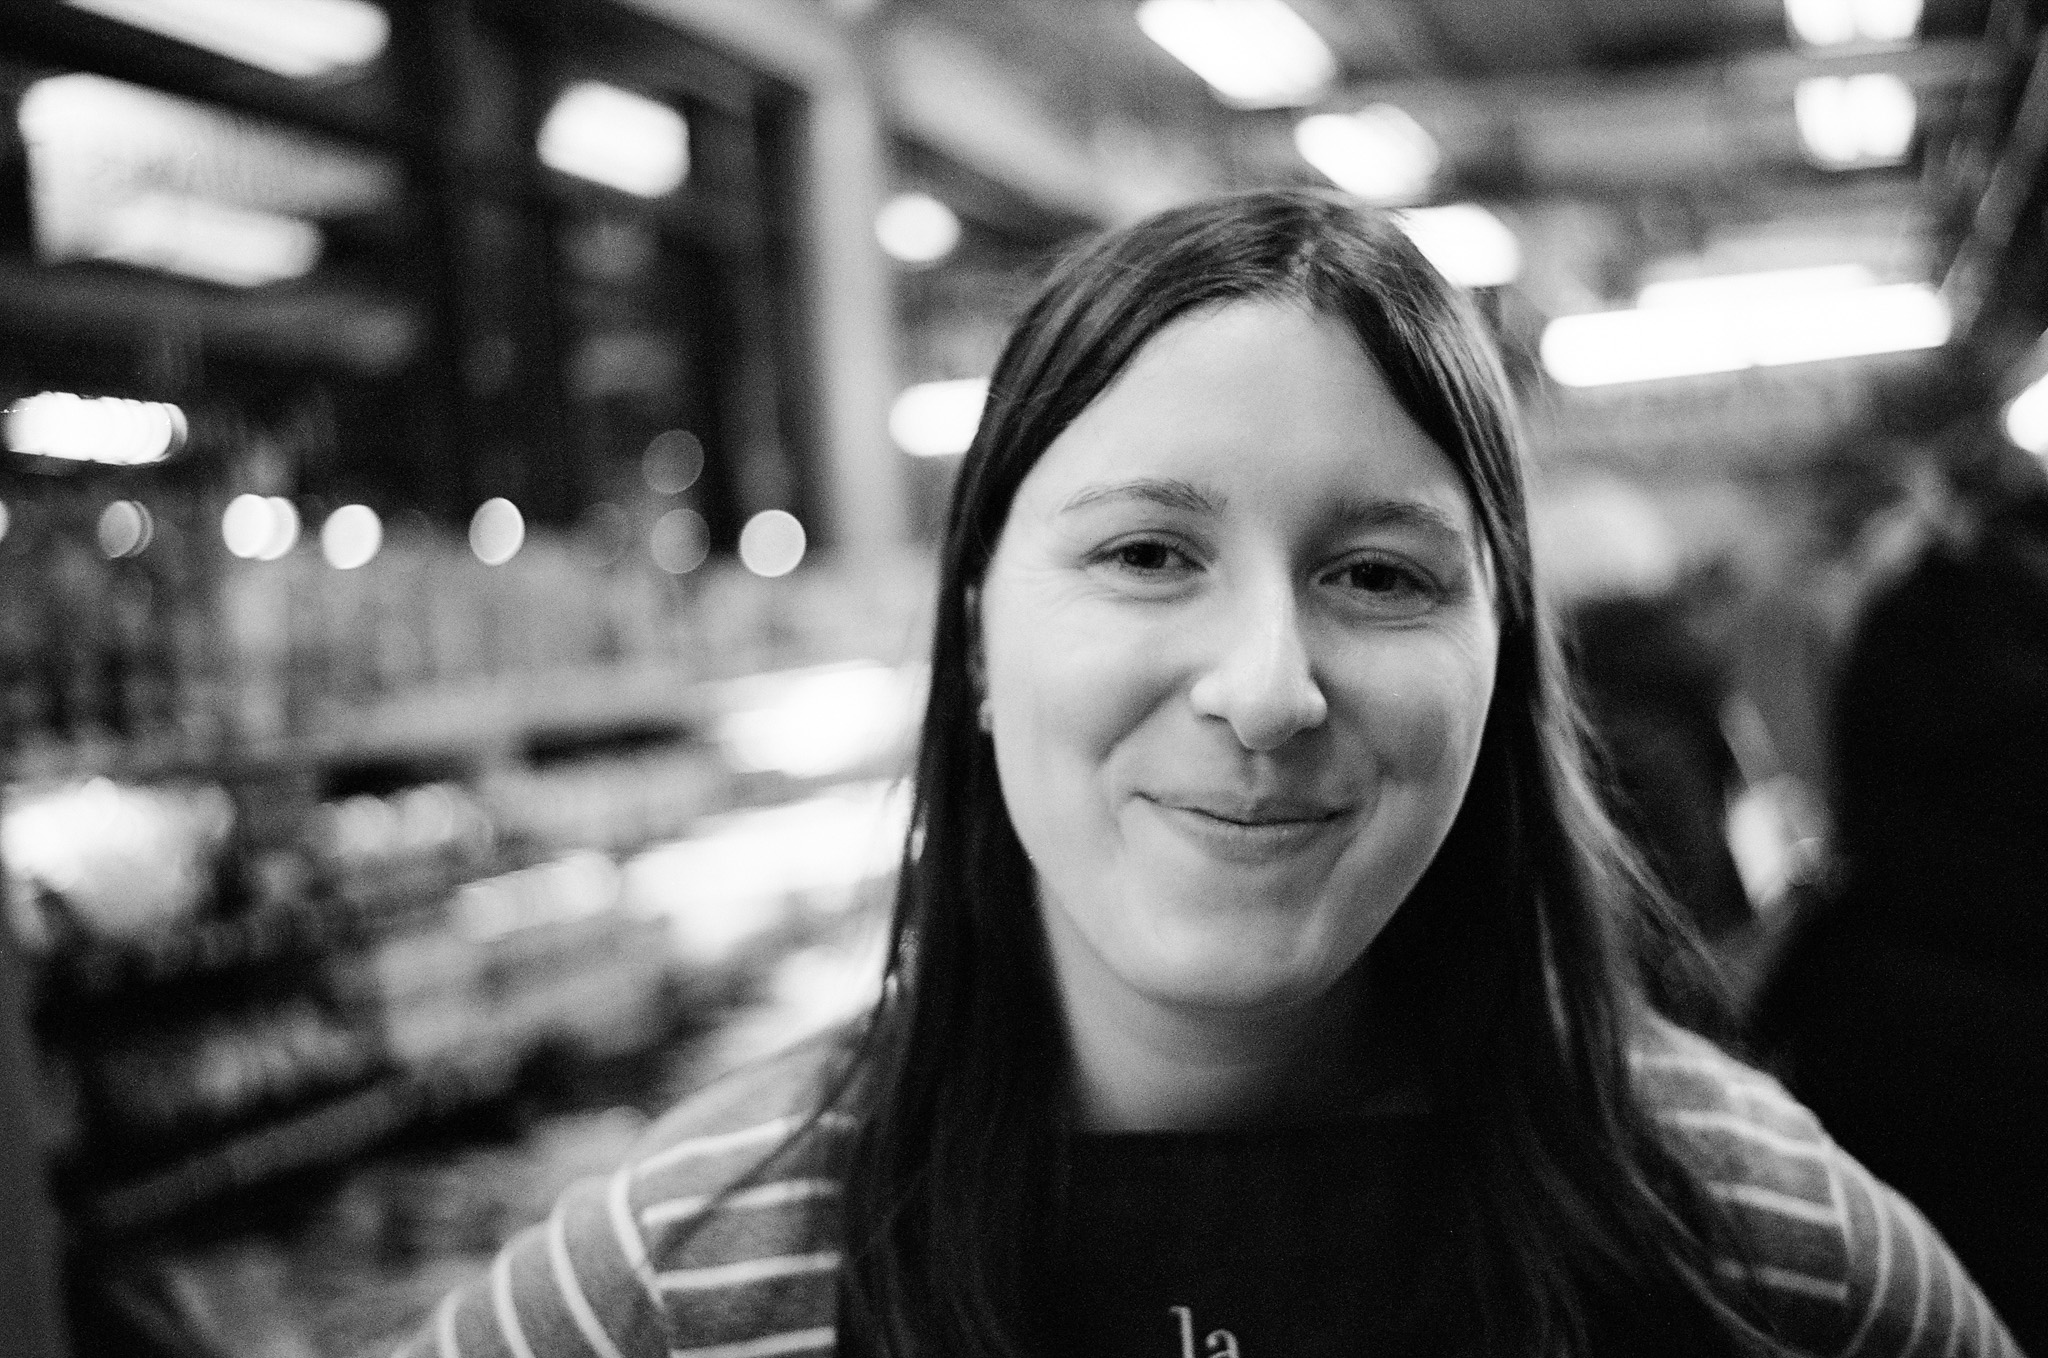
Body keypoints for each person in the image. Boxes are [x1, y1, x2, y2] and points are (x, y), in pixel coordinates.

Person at [397, 190, 2020, 1358]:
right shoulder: (674, 1280)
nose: (1266, 688)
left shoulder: (1760, 1244)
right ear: (975, 639)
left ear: (1505, 657)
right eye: (1148, 552)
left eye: (1380, 574)